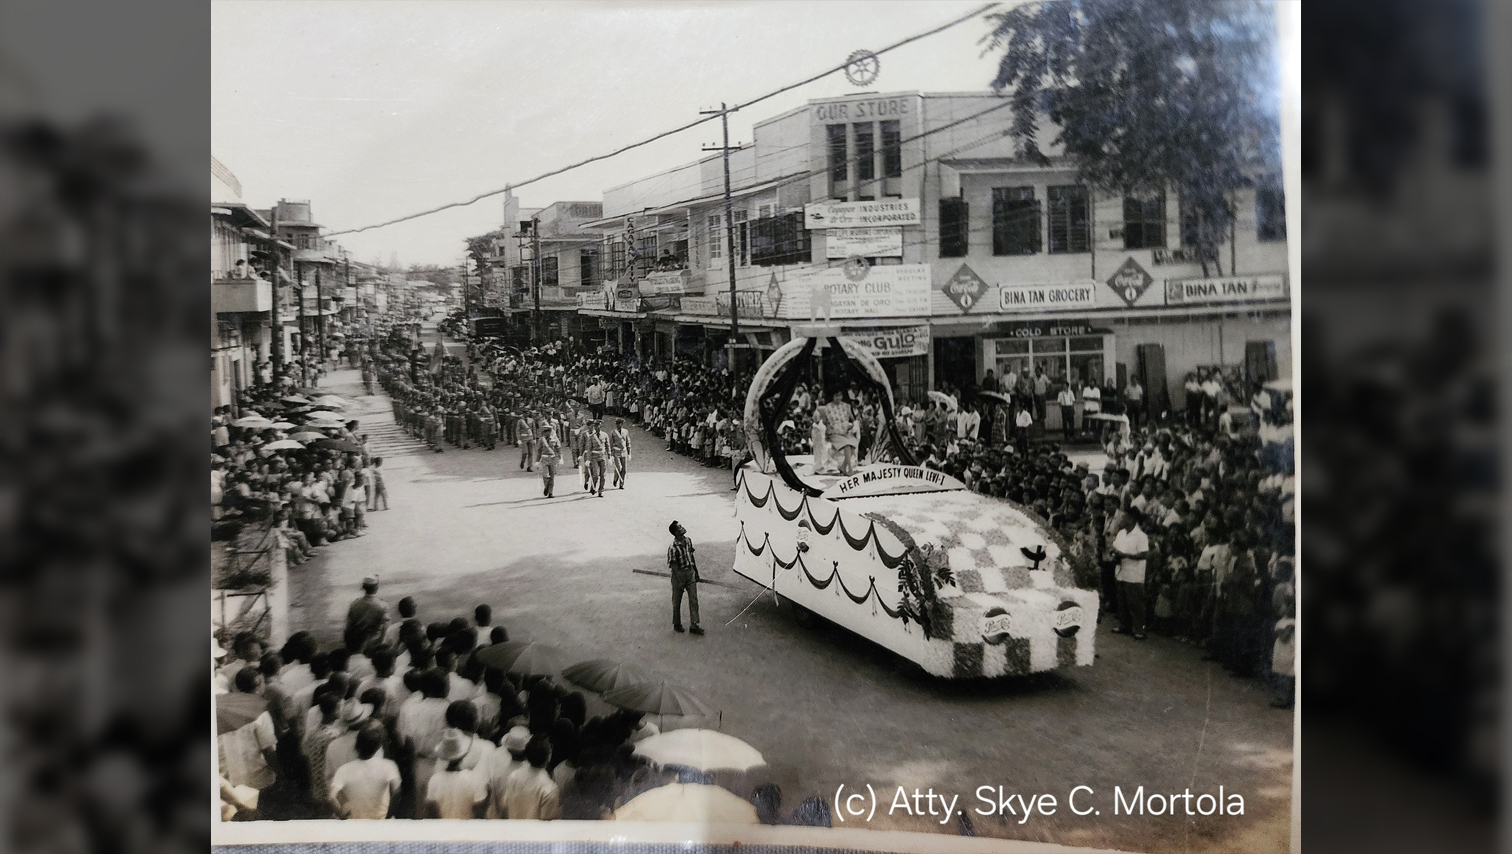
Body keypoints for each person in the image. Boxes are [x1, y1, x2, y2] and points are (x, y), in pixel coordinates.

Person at [330, 722, 400, 819]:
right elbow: (397, 790)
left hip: (354, 822)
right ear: (378, 748)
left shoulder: (344, 769)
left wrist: (341, 816)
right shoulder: (388, 766)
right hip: (380, 820)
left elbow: (331, 797)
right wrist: (389, 815)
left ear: (356, 746)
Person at [424, 731, 488, 819]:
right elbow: (479, 815)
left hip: (443, 829)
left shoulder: (434, 780)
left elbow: (431, 814)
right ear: (463, 755)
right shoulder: (474, 779)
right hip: (466, 830)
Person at [1111, 507, 1151, 640]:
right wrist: (1115, 555)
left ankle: (1139, 629)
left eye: (1124, 517)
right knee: (1121, 601)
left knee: (1135, 603)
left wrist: (1126, 555)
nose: (1121, 519)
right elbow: (1115, 547)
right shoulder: (1121, 533)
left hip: (1134, 574)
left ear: (1131, 519)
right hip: (1121, 571)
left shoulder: (1141, 536)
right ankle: (1124, 625)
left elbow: (1144, 554)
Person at [499, 734, 561, 821]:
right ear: (549, 757)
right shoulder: (550, 788)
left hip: (512, 830)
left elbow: (505, 806)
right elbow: (548, 824)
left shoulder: (514, 776)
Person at [666, 521, 703, 635]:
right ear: (676, 533)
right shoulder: (673, 548)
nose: (683, 528)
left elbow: (691, 556)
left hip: (690, 572)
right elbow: (674, 567)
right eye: (680, 527)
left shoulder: (688, 541)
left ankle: (694, 624)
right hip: (679, 575)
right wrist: (680, 581)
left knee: (693, 599)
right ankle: (677, 623)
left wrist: (696, 572)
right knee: (677, 601)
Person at [346, 576, 389, 643]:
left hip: (358, 642)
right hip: (376, 641)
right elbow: (385, 627)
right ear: (376, 588)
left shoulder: (355, 604)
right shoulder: (383, 605)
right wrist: (381, 643)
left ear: (363, 588)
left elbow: (349, 626)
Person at [584, 419, 609, 498]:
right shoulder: (591, 437)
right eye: (595, 426)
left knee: (603, 475)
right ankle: (593, 486)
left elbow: (608, 446)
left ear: (600, 426)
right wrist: (588, 459)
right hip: (594, 457)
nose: (596, 427)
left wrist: (610, 456)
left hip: (603, 457)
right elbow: (589, 448)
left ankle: (600, 491)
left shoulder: (605, 435)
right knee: (595, 475)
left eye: (598, 425)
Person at [537, 423, 561, 498]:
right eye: (546, 431)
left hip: (552, 459)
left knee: (552, 476)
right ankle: (546, 486)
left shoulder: (555, 439)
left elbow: (558, 448)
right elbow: (539, 450)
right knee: (546, 475)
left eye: (549, 431)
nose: (547, 433)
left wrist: (560, 458)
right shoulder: (541, 440)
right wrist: (537, 461)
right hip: (544, 459)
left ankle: (550, 492)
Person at [609, 418, 632, 489]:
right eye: (618, 424)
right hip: (616, 452)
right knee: (619, 467)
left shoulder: (625, 431)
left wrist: (629, 453)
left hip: (624, 452)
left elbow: (628, 442)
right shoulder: (613, 433)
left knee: (624, 469)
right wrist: (611, 455)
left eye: (620, 424)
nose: (619, 425)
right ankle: (615, 479)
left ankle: (621, 484)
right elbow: (611, 444)